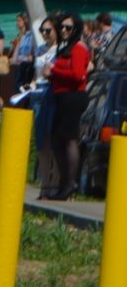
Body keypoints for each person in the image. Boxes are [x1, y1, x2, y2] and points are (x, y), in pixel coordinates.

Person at [42, 13, 89, 201]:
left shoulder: (78, 48)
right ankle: (65, 182)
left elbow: (78, 74)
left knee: (69, 138)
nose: (63, 31)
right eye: (62, 27)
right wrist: (52, 75)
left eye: (68, 28)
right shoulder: (65, 48)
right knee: (57, 139)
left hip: (73, 96)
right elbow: (65, 72)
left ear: (76, 29)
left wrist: (53, 70)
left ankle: (70, 183)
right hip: (61, 95)